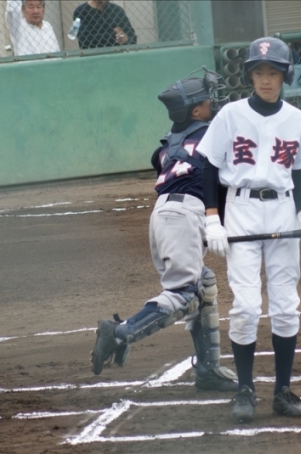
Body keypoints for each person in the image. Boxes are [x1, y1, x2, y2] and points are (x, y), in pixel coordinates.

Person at [90, 67, 238, 393]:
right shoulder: (214, 136)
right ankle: (119, 333)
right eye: (208, 100)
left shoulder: (170, 143)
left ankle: (208, 369)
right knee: (183, 294)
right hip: (184, 216)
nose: (215, 103)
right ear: (196, 111)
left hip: (163, 215)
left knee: (202, 284)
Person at [197, 37, 301, 424]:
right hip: (242, 209)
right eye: (259, 72)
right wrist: (212, 218)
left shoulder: (298, 120)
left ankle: (282, 391)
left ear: (285, 76)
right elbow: (208, 167)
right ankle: (245, 390)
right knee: (247, 307)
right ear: (250, 76)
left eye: (273, 73)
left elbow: (298, 173)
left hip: (283, 209)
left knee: (285, 305)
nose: (266, 80)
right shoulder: (230, 116)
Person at [72, 0, 137, 50]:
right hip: (94, 57)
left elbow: (132, 35)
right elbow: (85, 40)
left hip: (117, 56)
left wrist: (125, 38)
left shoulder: (117, 10)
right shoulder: (80, 12)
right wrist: (113, 33)